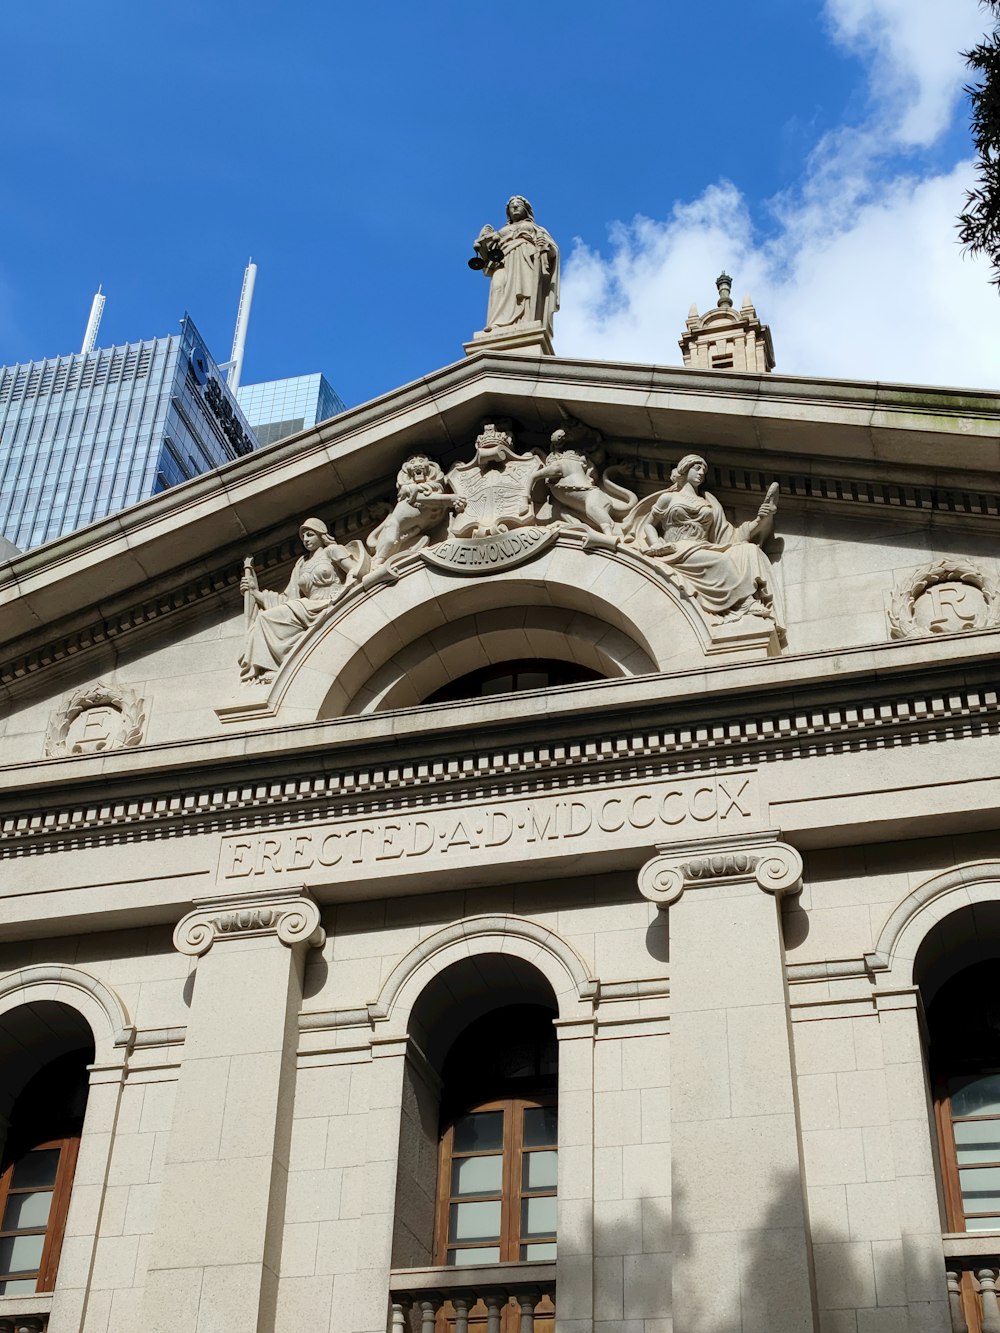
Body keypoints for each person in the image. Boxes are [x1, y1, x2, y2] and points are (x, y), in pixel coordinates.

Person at [625, 455, 784, 633]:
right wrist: (655, 544)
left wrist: (761, 518)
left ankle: (743, 602)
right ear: (685, 470)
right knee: (721, 561)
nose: (701, 473)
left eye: (703, 470)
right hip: (676, 548)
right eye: (696, 468)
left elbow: (731, 536)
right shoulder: (668, 498)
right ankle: (745, 603)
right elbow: (648, 524)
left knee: (748, 549)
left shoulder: (708, 502)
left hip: (703, 545)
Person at [239, 518, 362, 681]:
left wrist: (346, 588)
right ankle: (278, 665)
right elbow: (288, 598)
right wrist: (255, 592)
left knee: (266, 618)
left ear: (321, 535)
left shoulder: (332, 550)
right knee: (264, 618)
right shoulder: (301, 563)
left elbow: (355, 570)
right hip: (309, 605)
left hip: (332, 600)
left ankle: (284, 666)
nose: (306, 539)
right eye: (303, 537)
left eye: (310, 535)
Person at [473, 196, 560, 336]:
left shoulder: (536, 228)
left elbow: (553, 251)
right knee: (497, 286)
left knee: (524, 288)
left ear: (526, 210)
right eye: (511, 205)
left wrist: (545, 246)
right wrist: (482, 242)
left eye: (518, 204)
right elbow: (487, 254)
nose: (514, 207)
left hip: (525, 258)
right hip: (503, 260)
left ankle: (525, 321)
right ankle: (495, 322)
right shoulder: (501, 231)